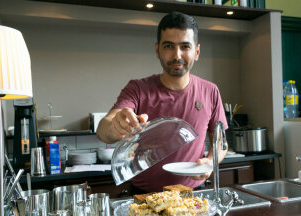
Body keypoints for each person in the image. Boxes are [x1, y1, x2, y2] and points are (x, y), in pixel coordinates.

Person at [97, 12, 228, 193]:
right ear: (157, 50)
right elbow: (103, 128)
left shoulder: (210, 91)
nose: (177, 55)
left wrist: (210, 161)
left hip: (193, 195)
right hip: (144, 197)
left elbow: (220, 141)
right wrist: (115, 126)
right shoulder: (138, 88)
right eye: (169, 46)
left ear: (196, 52)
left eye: (185, 46)